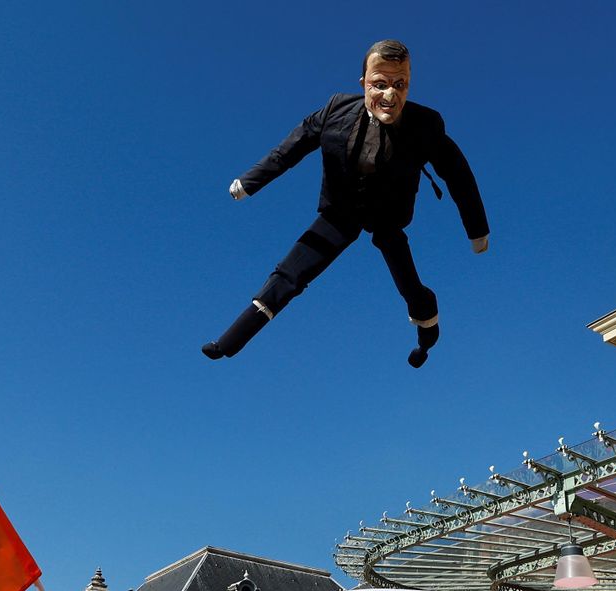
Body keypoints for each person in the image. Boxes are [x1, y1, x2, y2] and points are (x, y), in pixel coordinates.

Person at [205, 39, 489, 368]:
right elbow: (291, 148)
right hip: (342, 210)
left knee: (409, 284)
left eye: (401, 84)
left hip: (388, 216)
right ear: (363, 83)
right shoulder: (335, 110)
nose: (390, 95)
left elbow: (459, 176)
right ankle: (229, 342)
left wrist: (477, 230)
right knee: (291, 270)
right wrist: (249, 182)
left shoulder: (426, 125)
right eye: (380, 85)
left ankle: (426, 338)